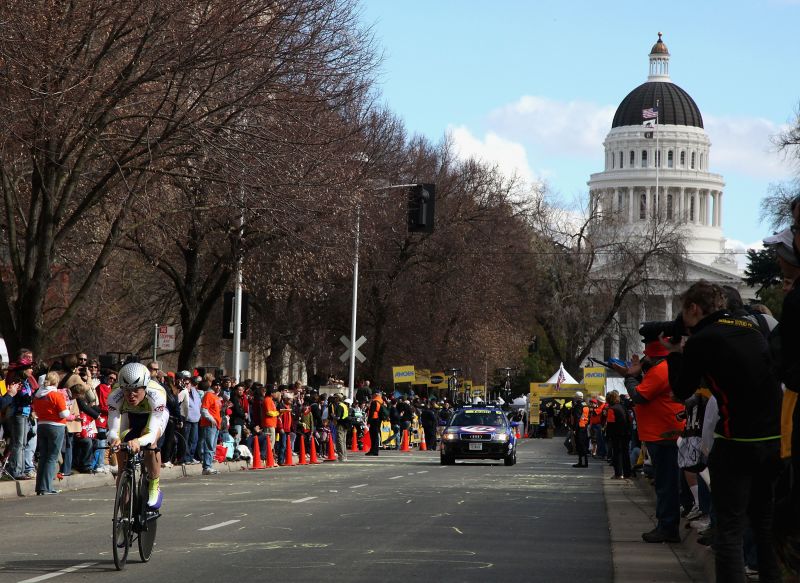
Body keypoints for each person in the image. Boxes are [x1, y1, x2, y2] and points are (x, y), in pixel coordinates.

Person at [664, 280, 783, 582]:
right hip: (773, 439)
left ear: (694, 308)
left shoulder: (704, 339)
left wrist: (677, 353)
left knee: (729, 529)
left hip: (737, 439)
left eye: (685, 314)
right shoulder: (750, 327)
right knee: (764, 524)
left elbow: (680, 390)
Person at [613, 334, 686, 544]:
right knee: (665, 482)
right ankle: (666, 525)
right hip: (661, 432)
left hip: (664, 433)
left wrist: (629, 376)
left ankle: (668, 527)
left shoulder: (660, 371)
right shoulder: (662, 369)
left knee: (666, 484)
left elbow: (639, 396)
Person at [107, 362, 169, 509]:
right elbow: (113, 428)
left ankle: (154, 485)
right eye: (126, 390)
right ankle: (125, 505)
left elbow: (152, 433)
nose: (131, 394)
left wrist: (138, 441)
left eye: (136, 389)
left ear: (145, 386)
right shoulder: (115, 396)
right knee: (121, 450)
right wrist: (114, 439)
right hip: (130, 415)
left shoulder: (157, 395)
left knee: (150, 445)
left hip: (153, 417)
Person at [32, 372, 73, 494]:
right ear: (56, 382)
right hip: (56, 426)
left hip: (42, 425)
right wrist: (70, 412)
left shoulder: (38, 395)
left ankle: (40, 487)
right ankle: (47, 487)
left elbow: (36, 411)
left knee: (44, 456)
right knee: (52, 457)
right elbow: (63, 414)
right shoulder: (56, 395)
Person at [605, 390, 631, 479]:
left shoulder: (611, 409)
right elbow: (629, 419)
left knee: (617, 454)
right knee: (625, 453)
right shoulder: (623, 407)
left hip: (616, 434)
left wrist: (607, 436)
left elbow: (610, 424)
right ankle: (627, 473)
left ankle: (618, 474)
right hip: (626, 433)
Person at [198, 381, 221, 475]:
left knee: (212, 446)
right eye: (216, 385)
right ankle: (207, 467)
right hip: (209, 424)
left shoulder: (215, 396)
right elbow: (203, 410)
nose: (218, 387)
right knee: (209, 445)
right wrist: (211, 419)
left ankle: (209, 466)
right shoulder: (208, 395)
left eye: (219, 385)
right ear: (212, 386)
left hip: (215, 425)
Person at [571, 391, 590, 468]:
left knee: (579, 445)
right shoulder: (585, 405)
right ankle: (585, 462)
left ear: (576, 397)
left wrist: (574, 429)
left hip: (579, 427)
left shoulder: (578, 406)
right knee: (584, 444)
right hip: (584, 426)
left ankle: (581, 463)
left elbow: (577, 418)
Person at [365, 391, 384, 456]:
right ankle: (375, 450)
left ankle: (373, 451)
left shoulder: (374, 402)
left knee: (373, 436)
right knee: (376, 436)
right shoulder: (381, 401)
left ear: (375, 395)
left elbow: (371, 413)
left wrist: (368, 422)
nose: (372, 396)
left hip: (374, 420)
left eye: (372, 394)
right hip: (378, 420)